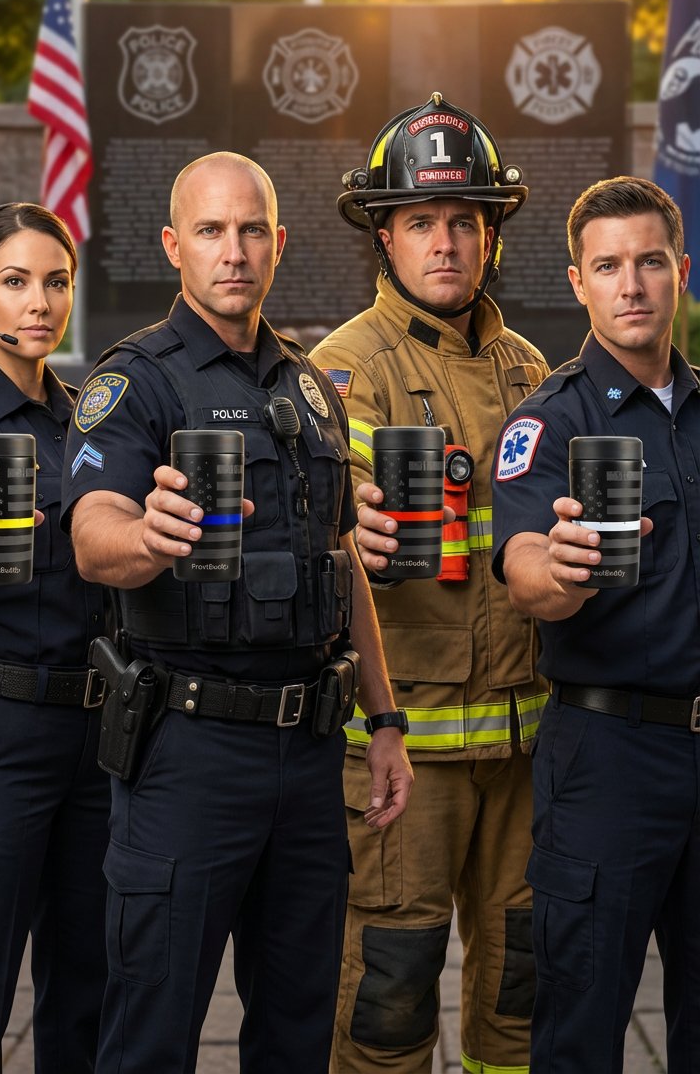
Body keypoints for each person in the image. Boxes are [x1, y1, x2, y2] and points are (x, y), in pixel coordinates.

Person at [60, 151, 413, 1074]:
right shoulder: (135, 380)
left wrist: (384, 721)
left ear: (278, 243)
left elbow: (342, 558)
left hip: (309, 758)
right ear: (174, 245)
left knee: (298, 1031)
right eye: (212, 230)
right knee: (151, 1034)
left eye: (253, 230)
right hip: (188, 755)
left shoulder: (307, 384)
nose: (235, 250)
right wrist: (150, 536)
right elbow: (92, 532)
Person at [310, 92, 550, 1074]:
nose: (445, 242)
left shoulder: (529, 367)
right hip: (405, 755)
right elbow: (320, 529)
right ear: (384, 236)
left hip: (526, 743)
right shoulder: (344, 369)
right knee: (390, 998)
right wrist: (349, 532)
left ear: (491, 233)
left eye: (463, 220)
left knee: (522, 991)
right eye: (420, 222)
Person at [491, 175, 700, 1074]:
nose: (632, 285)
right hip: (610, 758)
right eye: (608, 266)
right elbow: (523, 571)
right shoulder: (549, 420)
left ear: (681, 271)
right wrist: (563, 570)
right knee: (581, 1027)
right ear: (578, 282)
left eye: (650, 262)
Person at [0, 203, 110, 1073]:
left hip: (104, 738)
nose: (39, 302)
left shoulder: (96, 421)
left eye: (55, 282)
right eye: (14, 281)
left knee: (88, 992)